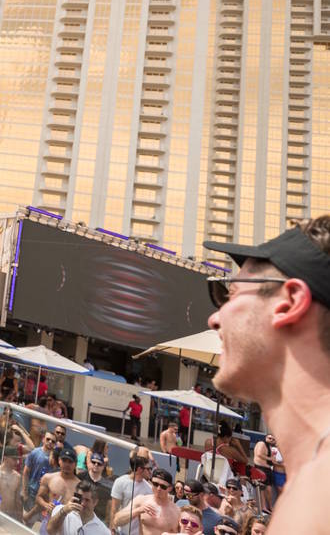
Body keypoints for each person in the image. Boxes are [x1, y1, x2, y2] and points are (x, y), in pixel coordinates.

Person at [203, 218, 330, 534]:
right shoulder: (309, 484)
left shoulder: (321, 490)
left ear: (289, 304)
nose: (214, 318)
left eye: (229, 294)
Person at [112, 467, 179, 535]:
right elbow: (117, 520)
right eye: (155, 484)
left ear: (170, 488)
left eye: (163, 486)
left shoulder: (176, 511)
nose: (158, 489)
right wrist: (138, 510)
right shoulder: (141, 501)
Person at [36, 447, 82, 525]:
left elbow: (81, 510)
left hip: (68, 526)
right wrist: (46, 505)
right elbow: (38, 497)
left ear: (75, 464)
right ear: (59, 461)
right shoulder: (48, 478)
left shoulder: (80, 485)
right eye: (64, 460)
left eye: (70, 462)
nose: (67, 464)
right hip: (49, 521)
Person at [109, 448, 153, 529]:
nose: (151, 472)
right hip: (121, 530)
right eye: (149, 469)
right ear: (140, 469)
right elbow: (114, 509)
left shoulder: (150, 489)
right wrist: (112, 529)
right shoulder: (120, 482)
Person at [47, 481, 112, 535]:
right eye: (80, 498)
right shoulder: (61, 510)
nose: (82, 503)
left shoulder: (103, 531)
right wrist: (64, 511)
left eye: (87, 500)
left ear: (95, 502)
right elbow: (50, 531)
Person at [25, 431, 57, 521]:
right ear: (43, 439)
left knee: (41, 521)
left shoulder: (55, 458)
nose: (50, 442)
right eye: (48, 439)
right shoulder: (35, 452)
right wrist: (24, 491)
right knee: (29, 521)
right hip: (32, 491)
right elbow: (26, 472)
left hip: (45, 496)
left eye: (53, 441)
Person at [77, 449, 113, 525]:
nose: (96, 465)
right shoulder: (80, 477)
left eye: (99, 464)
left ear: (103, 466)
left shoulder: (107, 485)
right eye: (93, 462)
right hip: (78, 515)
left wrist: (108, 523)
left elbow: (109, 507)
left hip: (96, 520)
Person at [0, 451, 24, 521]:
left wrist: (20, 518)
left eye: (18, 459)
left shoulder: (17, 476)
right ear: (5, 458)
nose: (17, 462)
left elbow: (17, 500)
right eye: (14, 459)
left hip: (9, 515)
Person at [251, 435, 282, 505]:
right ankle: (269, 506)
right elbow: (259, 454)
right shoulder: (262, 443)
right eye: (269, 438)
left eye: (273, 439)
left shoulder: (270, 447)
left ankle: (265, 507)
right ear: (265, 438)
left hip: (265, 469)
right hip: (262, 469)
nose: (271, 440)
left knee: (263, 489)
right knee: (266, 489)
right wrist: (270, 459)